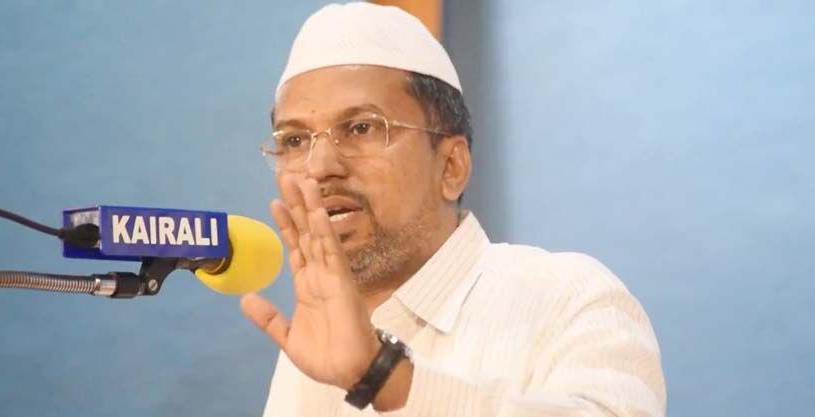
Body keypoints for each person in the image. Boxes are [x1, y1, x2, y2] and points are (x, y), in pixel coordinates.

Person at [239, 3, 666, 416]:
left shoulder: (564, 297)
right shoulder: (310, 345)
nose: (319, 167)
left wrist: (381, 375)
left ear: (451, 166)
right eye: (294, 140)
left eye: (361, 128)